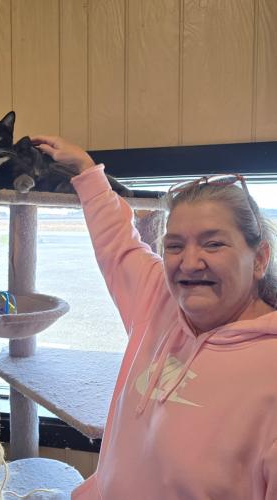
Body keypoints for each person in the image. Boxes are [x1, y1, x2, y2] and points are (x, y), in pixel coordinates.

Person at [33, 136, 277, 499]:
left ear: (260, 259)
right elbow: (118, 244)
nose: (189, 263)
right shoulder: (159, 300)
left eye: (213, 244)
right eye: (174, 245)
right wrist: (87, 171)